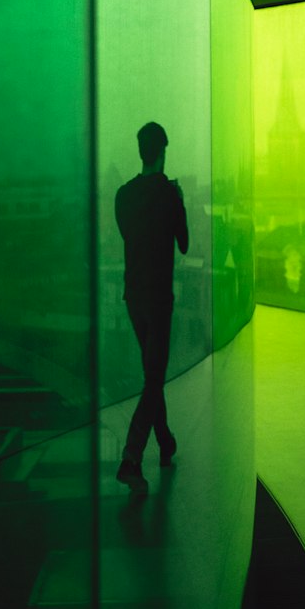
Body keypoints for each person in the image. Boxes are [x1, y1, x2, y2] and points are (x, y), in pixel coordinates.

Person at [114, 122, 189, 492]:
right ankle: (131, 457)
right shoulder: (169, 195)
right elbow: (185, 244)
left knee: (152, 374)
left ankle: (165, 442)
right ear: (163, 151)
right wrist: (180, 201)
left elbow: (130, 235)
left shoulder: (122, 196)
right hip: (159, 300)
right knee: (154, 378)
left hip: (133, 299)